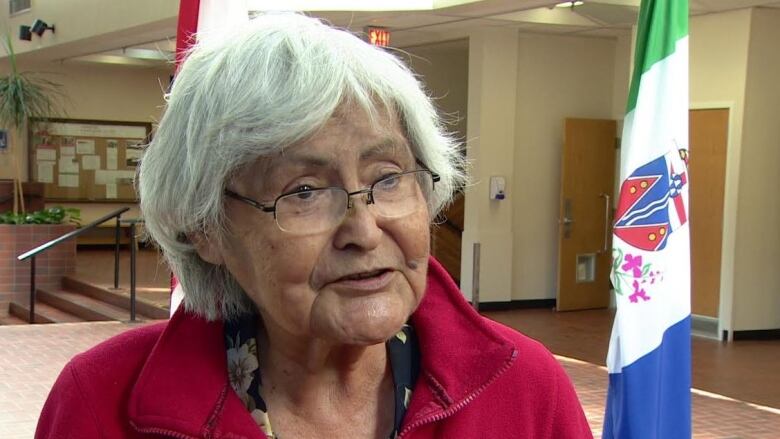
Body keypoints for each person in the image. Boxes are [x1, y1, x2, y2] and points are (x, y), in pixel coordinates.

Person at [36, 13, 593, 439]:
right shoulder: (100, 403)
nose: (365, 229)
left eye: (389, 178)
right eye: (303, 191)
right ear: (204, 228)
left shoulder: (523, 390)